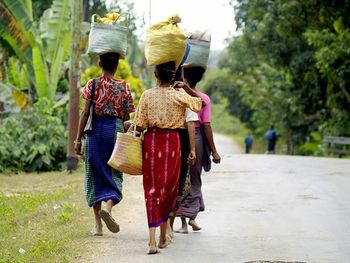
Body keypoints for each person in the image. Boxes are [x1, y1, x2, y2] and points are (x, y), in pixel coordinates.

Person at [133, 61, 203, 254]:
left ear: (155, 74)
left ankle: (152, 242)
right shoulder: (179, 95)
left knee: (152, 190)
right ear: (173, 77)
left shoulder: (147, 95)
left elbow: (139, 125)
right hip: (172, 143)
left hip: (152, 143)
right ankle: (164, 237)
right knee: (169, 189)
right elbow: (200, 104)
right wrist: (187, 88)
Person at [74, 52, 135, 236]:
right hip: (115, 131)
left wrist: (78, 140)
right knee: (114, 172)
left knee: (94, 174)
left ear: (99, 64)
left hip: (95, 132)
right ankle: (108, 208)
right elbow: (126, 117)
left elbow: (85, 114)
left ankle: (98, 226)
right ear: (117, 66)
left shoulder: (92, 85)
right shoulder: (124, 87)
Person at [176, 66, 221, 234]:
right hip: (198, 137)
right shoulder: (204, 98)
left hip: (181, 135)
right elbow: (206, 125)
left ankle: (185, 222)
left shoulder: (179, 94)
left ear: (184, 76)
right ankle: (191, 217)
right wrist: (214, 151)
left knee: (182, 176)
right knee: (194, 176)